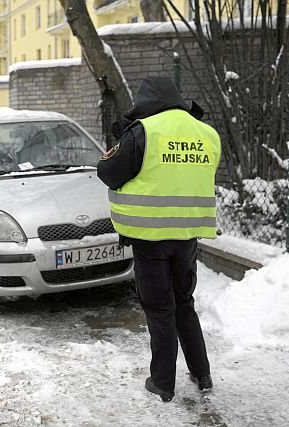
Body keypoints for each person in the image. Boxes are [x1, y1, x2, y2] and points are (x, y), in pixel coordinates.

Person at [97, 76, 221, 402]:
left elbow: (108, 172)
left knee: (159, 309)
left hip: (151, 237)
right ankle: (202, 374)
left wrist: (123, 138)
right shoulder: (206, 132)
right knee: (184, 305)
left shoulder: (144, 130)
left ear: (146, 102)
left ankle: (162, 384)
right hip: (187, 236)